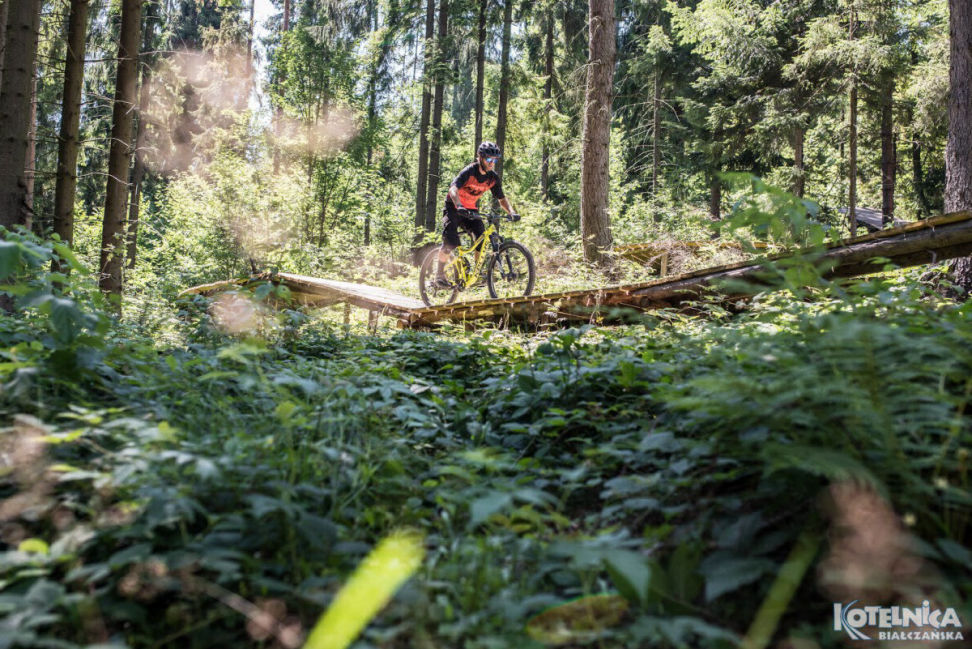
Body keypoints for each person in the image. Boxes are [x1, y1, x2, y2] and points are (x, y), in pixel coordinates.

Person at [435, 141, 520, 287]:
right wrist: (459, 205)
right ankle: (439, 275)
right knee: (451, 242)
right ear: (480, 157)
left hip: (470, 210)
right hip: (454, 207)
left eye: (495, 160)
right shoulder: (469, 171)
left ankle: (476, 274)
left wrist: (511, 212)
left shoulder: (492, 178)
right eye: (489, 159)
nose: (492, 163)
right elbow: (453, 189)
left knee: (481, 239)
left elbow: (501, 199)